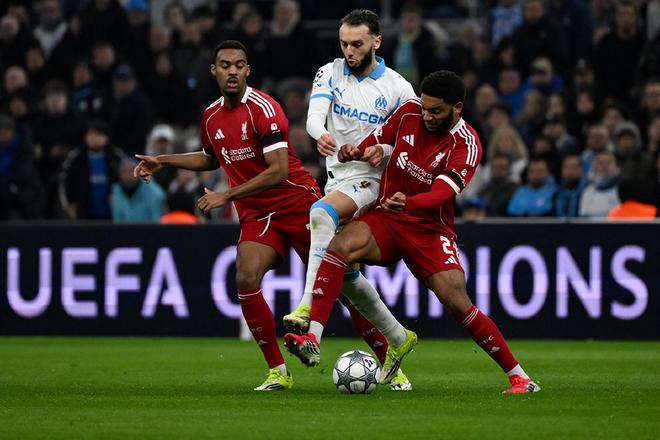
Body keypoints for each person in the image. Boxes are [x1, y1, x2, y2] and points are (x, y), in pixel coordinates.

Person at [284, 71, 540, 394]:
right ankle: (313, 337)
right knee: (339, 248)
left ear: (457, 108)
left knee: (457, 303)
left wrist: (410, 201)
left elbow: (442, 194)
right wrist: (356, 151)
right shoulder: (409, 112)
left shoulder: (467, 144)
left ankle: (519, 377)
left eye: (436, 111)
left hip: (429, 230)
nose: (427, 116)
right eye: (425, 108)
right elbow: (377, 138)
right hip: (388, 218)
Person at [134, 40, 321, 391]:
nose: (232, 71)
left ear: (248, 70)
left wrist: (227, 195)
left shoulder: (264, 108)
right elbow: (210, 158)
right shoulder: (211, 116)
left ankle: (389, 353)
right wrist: (163, 161)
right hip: (259, 213)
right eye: (225, 65)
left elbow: (279, 170)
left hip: (298, 203)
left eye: (238, 65)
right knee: (246, 278)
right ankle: (278, 372)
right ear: (214, 71)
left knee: (345, 283)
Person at [282, 9, 417, 390]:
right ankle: (398, 337)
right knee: (345, 276)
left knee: (320, 213)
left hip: (373, 182)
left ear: (377, 41)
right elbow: (314, 117)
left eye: (357, 44)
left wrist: (383, 151)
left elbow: (410, 143)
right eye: (344, 44)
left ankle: (307, 310)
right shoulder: (330, 72)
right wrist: (321, 135)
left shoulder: (399, 88)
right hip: (338, 179)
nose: (350, 51)